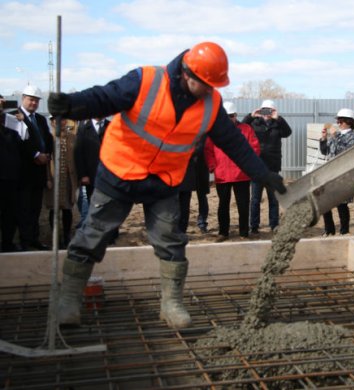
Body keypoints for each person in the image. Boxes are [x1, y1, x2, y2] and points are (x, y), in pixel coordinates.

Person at [48, 41, 286, 329]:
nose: (211, 90)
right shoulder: (145, 81)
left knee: (171, 240)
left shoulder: (210, 103)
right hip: (120, 172)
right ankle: (69, 299)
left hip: (163, 179)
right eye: (206, 83)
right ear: (188, 74)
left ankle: (171, 303)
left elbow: (234, 143)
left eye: (215, 84)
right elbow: (104, 97)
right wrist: (71, 105)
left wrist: (263, 174)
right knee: (93, 234)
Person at [205, 101, 260, 241]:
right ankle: (223, 232)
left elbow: (254, 148)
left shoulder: (246, 129)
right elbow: (208, 150)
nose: (228, 118)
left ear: (235, 115)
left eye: (230, 116)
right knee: (223, 205)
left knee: (243, 205)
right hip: (222, 175)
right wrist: (212, 166)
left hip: (241, 175)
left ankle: (243, 233)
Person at [242, 99, 292, 233]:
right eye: (264, 110)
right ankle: (254, 226)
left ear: (273, 111)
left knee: (273, 199)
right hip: (257, 166)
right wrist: (251, 115)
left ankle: (274, 224)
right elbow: (241, 128)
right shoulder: (253, 123)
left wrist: (279, 118)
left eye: (269, 110)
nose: (266, 113)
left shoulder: (278, 124)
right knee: (255, 199)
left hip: (273, 166)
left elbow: (288, 133)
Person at [17, 85, 53, 251]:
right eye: (31, 99)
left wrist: (47, 154)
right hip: (24, 172)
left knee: (35, 209)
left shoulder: (40, 119)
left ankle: (34, 239)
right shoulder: (14, 117)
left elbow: (47, 139)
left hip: (39, 172)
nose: (34, 103)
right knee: (24, 208)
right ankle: (24, 241)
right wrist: (35, 154)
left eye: (36, 101)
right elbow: (18, 142)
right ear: (23, 98)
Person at [319, 108, 354, 236]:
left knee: (341, 205)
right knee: (325, 203)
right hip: (330, 174)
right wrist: (324, 139)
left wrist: (335, 137)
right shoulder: (336, 135)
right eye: (338, 120)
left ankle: (344, 231)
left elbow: (346, 153)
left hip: (344, 175)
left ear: (349, 122)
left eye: (341, 120)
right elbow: (325, 151)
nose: (339, 123)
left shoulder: (353, 137)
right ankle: (329, 230)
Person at [44, 117, 78, 249]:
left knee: (68, 208)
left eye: (63, 120)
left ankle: (67, 236)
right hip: (54, 178)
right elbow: (46, 160)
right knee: (54, 208)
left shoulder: (73, 137)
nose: (60, 122)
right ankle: (55, 237)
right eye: (57, 120)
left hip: (69, 179)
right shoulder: (49, 137)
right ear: (52, 122)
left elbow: (77, 157)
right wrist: (47, 178)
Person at [0, 95, 26, 252]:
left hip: (11, 177)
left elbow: (24, 141)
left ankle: (7, 243)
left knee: (10, 214)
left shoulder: (11, 124)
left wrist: (22, 122)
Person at [177, 147, 210, 235]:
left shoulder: (203, 134)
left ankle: (202, 222)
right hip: (186, 167)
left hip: (201, 165)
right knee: (184, 198)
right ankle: (181, 226)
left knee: (202, 195)